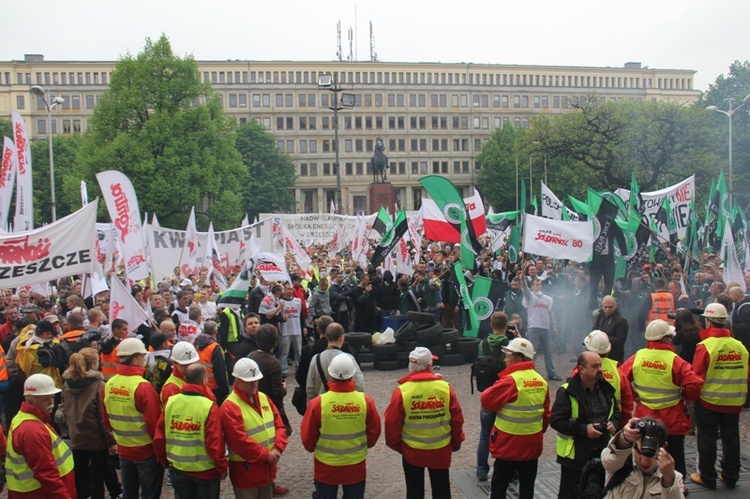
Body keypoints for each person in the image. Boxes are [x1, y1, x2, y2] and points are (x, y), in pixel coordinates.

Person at [619, 319, 703, 487]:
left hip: (644, 417)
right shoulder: (674, 360)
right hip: (672, 419)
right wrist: (685, 395)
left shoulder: (639, 356)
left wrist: (635, 395)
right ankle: (677, 487)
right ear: (666, 338)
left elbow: (621, 379)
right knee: (675, 456)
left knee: (644, 455)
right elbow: (694, 384)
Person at [384, 347, 464, 499]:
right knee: (442, 490)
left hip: (412, 451)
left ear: (411, 366)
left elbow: (392, 423)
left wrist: (397, 445)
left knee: (414, 491)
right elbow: (457, 419)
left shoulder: (402, 391)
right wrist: (456, 441)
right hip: (440, 449)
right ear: (429, 366)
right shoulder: (445, 388)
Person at [301, 354, 381, 499]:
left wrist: (313, 447)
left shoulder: (318, 403)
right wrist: (364, 445)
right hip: (355, 464)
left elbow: (307, 436)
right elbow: (374, 431)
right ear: (352, 376)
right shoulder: (365, 401)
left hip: (325, 466)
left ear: (330, 374)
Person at [480, 337, 551, 499]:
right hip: (532, 443)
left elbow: (486, 401)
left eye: (508, 355)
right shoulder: (541, 381)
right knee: (527, 487)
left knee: (499, 486)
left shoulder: (511, 381)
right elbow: (546, 415)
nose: (505, 359)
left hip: (509, 445)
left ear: (518, 359)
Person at [689, 303, 750, 490]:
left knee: (707, 438)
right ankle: (731, 475)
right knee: (731, 438)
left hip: (709, 402)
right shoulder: (739, 346)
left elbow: (696, 377)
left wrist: (691, 398)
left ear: (708, 321)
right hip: (734, 401)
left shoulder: (705, 346)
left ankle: (707, 476)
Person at [551, 351, 621, 499]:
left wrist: (613, 423)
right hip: (576, 455)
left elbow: (616, 412)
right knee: (569, 493)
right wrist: (584, 430)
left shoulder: (605, 388)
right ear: (581, 369)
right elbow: (556, 421)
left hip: (602, 452)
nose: (600, 370)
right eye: (594, 366)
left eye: (600, 366)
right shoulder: (567, 391)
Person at [154, 363, 227, 499]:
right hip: (205, 471)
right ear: (204, 380)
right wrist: (222, 467)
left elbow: (159, 437)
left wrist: (163, 460)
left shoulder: (171, 402)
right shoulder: (209, 406)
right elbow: (215, 443)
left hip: (178, 469)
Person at [102, 338, 163, 499]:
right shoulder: (143, 387)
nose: (144, 360)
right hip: (145, 450)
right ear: (135, 360)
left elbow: (105, 417)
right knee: (149, 494)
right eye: (142, 357)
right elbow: (153, 423)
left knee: (129, 493)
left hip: (123, 448)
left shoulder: (110, 384)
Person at [220, 358, 288, 499]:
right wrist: (267, 455)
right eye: (249, 382)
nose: (254, 384)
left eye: (256, 380)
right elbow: (239, 441)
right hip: (246, 473)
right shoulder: (230, 407)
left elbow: (279, 426)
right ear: (237, 381)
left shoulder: (263, 398)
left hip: (265, 469)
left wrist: (277, 448)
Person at [62, 348, 121, 499]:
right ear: (94, 364)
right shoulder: (98, 385)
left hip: (76, 436)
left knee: (80, 477)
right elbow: (102, 416)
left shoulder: (67, 385)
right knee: (97, 479)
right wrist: (111, 440)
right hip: (96, 439)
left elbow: (65, 411)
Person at [6, 373, 76, 498]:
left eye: (52, 397)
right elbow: (46, 473)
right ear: (30, 399)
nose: (51, 403)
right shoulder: (31, 429)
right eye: (45, 399)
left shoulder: (28, 419)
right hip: (39, 493)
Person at [602, 416, 684, 498]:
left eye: (650, 454)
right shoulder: (619, 464)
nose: (644, 462)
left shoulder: (674, 478)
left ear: (664, 448)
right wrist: (623, 439)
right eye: (638, 452)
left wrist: (669, 481)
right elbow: (609, 460)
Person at [475, 311, 512, 481]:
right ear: (506, 326)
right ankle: (507, 469)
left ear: (491, 325)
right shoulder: (509, 345)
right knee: (506, 432)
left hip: (487, 393)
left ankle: (482, 469)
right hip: (504, 394)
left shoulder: (482, 343)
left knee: (485, 433)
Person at [577, 330, 634, 420]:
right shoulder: (618, 371)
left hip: (587, 426)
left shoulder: (580, 370)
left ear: (587, 350)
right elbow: (627, 404)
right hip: (613, 424)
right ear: (608, 351)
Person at [521, 264, 561, 381]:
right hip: (534, 327)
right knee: (532, 352)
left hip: (546, 328)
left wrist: (554, 326)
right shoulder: (530, 297)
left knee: (548, 353)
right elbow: (525, 290)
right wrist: (523, 281)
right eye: (536, 284)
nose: (539, 286)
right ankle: (530, 373)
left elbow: (550, 313)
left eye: (540, 284)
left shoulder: (548, 299)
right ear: (532, 286)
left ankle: (551, 373)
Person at [306, 322, 364, 401]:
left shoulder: (315, 359)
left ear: (326, 337)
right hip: (346, 405)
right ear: (341, 338)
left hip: (322, 405)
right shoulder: (349, 359)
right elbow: (359, 385)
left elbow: (310, 388)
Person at [193, 320, 230, 404]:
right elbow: (220, 371)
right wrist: (225, 391)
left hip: (197, 385)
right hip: (213, 388)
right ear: (216, 331)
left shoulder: (194, 344)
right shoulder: (215, 347)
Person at [160, 341, 201, 406]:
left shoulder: (194, 378)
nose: (189, 367)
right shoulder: (171, 388)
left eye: (192, 363)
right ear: (174, 363)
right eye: (185, 364)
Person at [592, 296, 629, 363]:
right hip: (599, 354)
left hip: (614, 357)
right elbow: (594, 330)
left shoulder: (621, 320)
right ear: (602, 306)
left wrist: (602, 338)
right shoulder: (600, 316)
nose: (607, 309)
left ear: (615, 306)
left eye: (610, 307)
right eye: (605, 307)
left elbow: (620, 341)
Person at [278, 283, 303, 376]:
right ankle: (284, 369)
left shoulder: (297, 301)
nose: (289, 291)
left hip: (296, 329)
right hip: (286, 330)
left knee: (298, 351)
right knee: (285, 351)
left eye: (291, 289)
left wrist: (303, 326)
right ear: (284, 290)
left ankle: (299, 367)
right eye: (287, 289)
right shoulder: (280, 302)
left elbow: (301, 315)